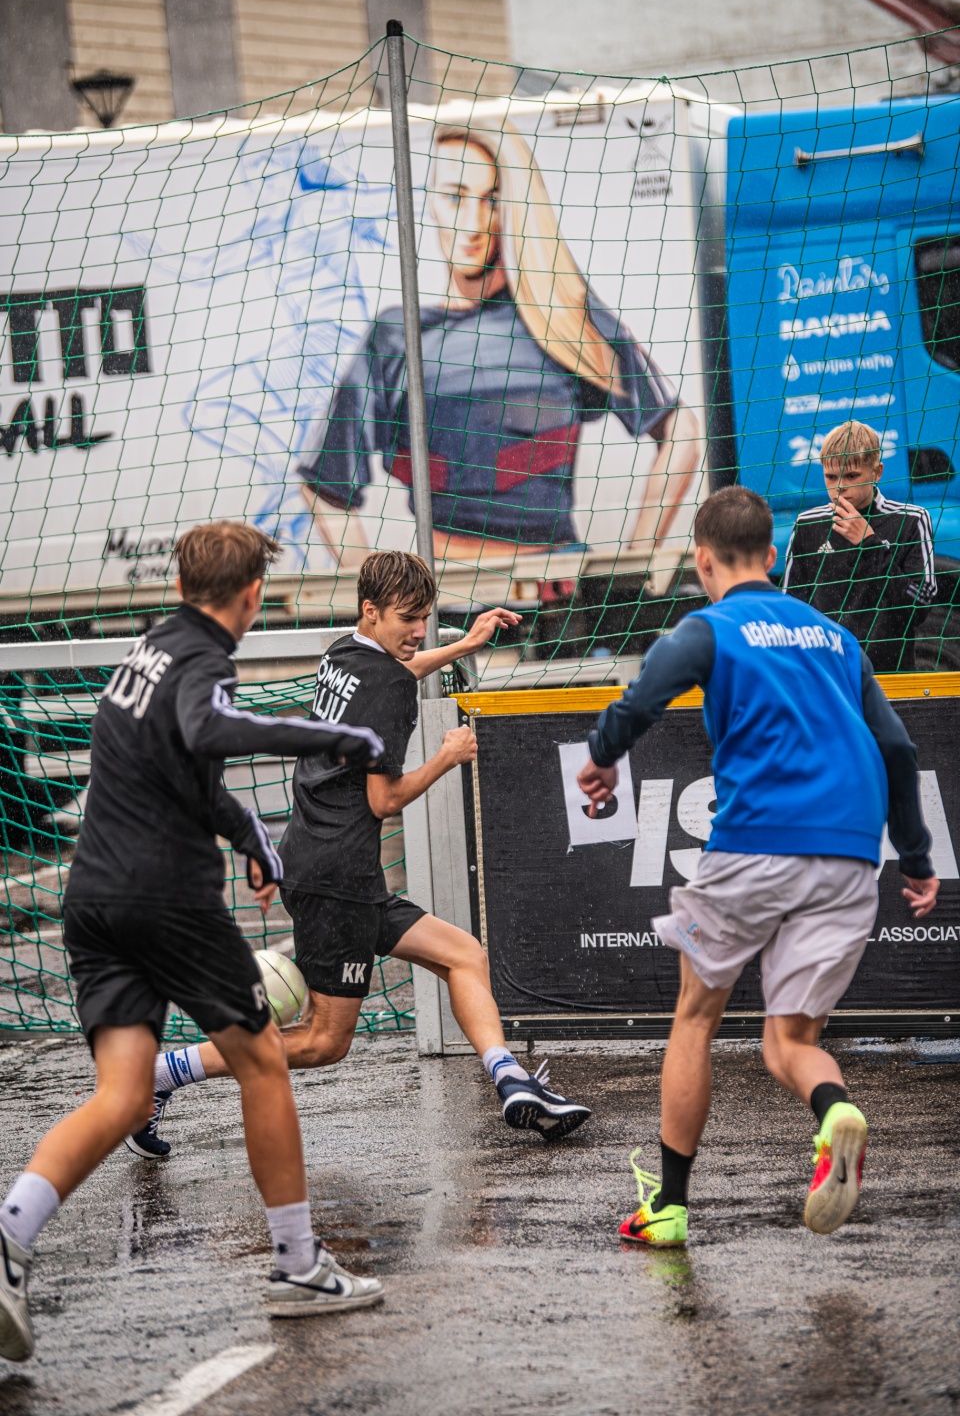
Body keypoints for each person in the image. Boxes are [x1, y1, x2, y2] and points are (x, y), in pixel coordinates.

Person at [0, 522, 388, 1363]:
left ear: (180, 586)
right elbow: (208, 731)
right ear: (251, 596)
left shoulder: (148, 650)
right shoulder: (206, 662)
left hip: (93, 898)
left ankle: (11, 1233)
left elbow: (182, 763)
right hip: (166, 900)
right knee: (264, 1062)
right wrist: (332, 737)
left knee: (122, 1096)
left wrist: (249, 834)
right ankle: (297, 1267)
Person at [128, 550, 591, 1158]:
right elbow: (384, 799)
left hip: (330, 864)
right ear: (372, 610)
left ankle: (511, 1080)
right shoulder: (389, 687)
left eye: (425, 617)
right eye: (408, 618)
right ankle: (161, 1074)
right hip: (337, 875)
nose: (419, 630)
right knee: (324, 1041)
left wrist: (463, 644)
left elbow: (396, 672)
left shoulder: (344, 653)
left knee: (463, 955)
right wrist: (448, 756)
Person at [577, 486, 939, 1247]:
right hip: (848, 857)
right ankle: (835, 1111)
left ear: (703, 561)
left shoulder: (710, 627)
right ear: (773, 555)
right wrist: (914, 857)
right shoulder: (836, 639)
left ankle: (669, 1208)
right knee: (790, 1043)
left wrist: (604, 756)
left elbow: (643, 695)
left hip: (752, 848)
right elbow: (898, 749)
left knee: (695, 1018)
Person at [298, 121, 702, 573]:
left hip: (557, 587)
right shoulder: (396, 337)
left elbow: (681, 432)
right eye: (455, 197)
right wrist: (380, 592)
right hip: (445, 590)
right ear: (430, 202)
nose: (472, 224)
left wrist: (636, 562)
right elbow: (324, 486)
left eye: (491, 200)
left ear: (514, 208)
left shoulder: (561, 315)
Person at [783, 420, 936, 672]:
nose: (840, 487)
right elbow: (791, 611)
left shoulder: (911, 520)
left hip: (889, 675)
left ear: (877, 472)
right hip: (828, 677)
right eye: (831, 477)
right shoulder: (808, 525)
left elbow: (919, 608)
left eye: (851, 476)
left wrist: (869, 544)